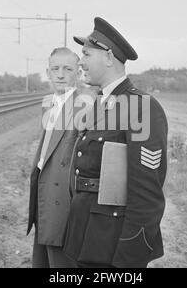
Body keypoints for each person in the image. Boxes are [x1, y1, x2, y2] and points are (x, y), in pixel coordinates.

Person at [63, 17, 168, 268]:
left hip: (112, 243)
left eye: (86, 54)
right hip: (86, 233)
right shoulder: (100, 103)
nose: (81, 62)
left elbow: (147, 196)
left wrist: (129, 259)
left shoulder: (142, 107)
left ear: (109, 57)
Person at [27, 47, 84, 268]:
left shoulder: (84, 108)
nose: (60, 74)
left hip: (63, 206)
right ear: (48, 73)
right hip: (44, 199)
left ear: (78, 73)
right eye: (55, 69)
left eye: (68, 69)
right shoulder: (52, 104)